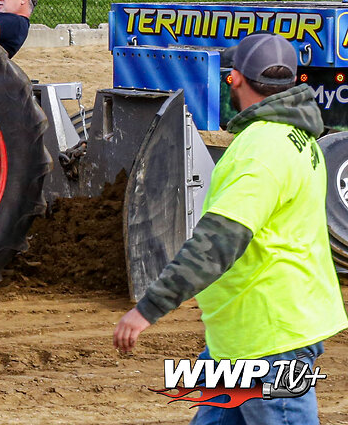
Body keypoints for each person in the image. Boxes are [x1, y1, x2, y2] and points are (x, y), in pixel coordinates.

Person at [113, 33, 347, 425]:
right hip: (246, 337)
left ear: (234, 78)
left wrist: (147, 309)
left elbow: (218, 240)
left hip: (267, 342)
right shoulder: (301, 139)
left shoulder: (259, 150)